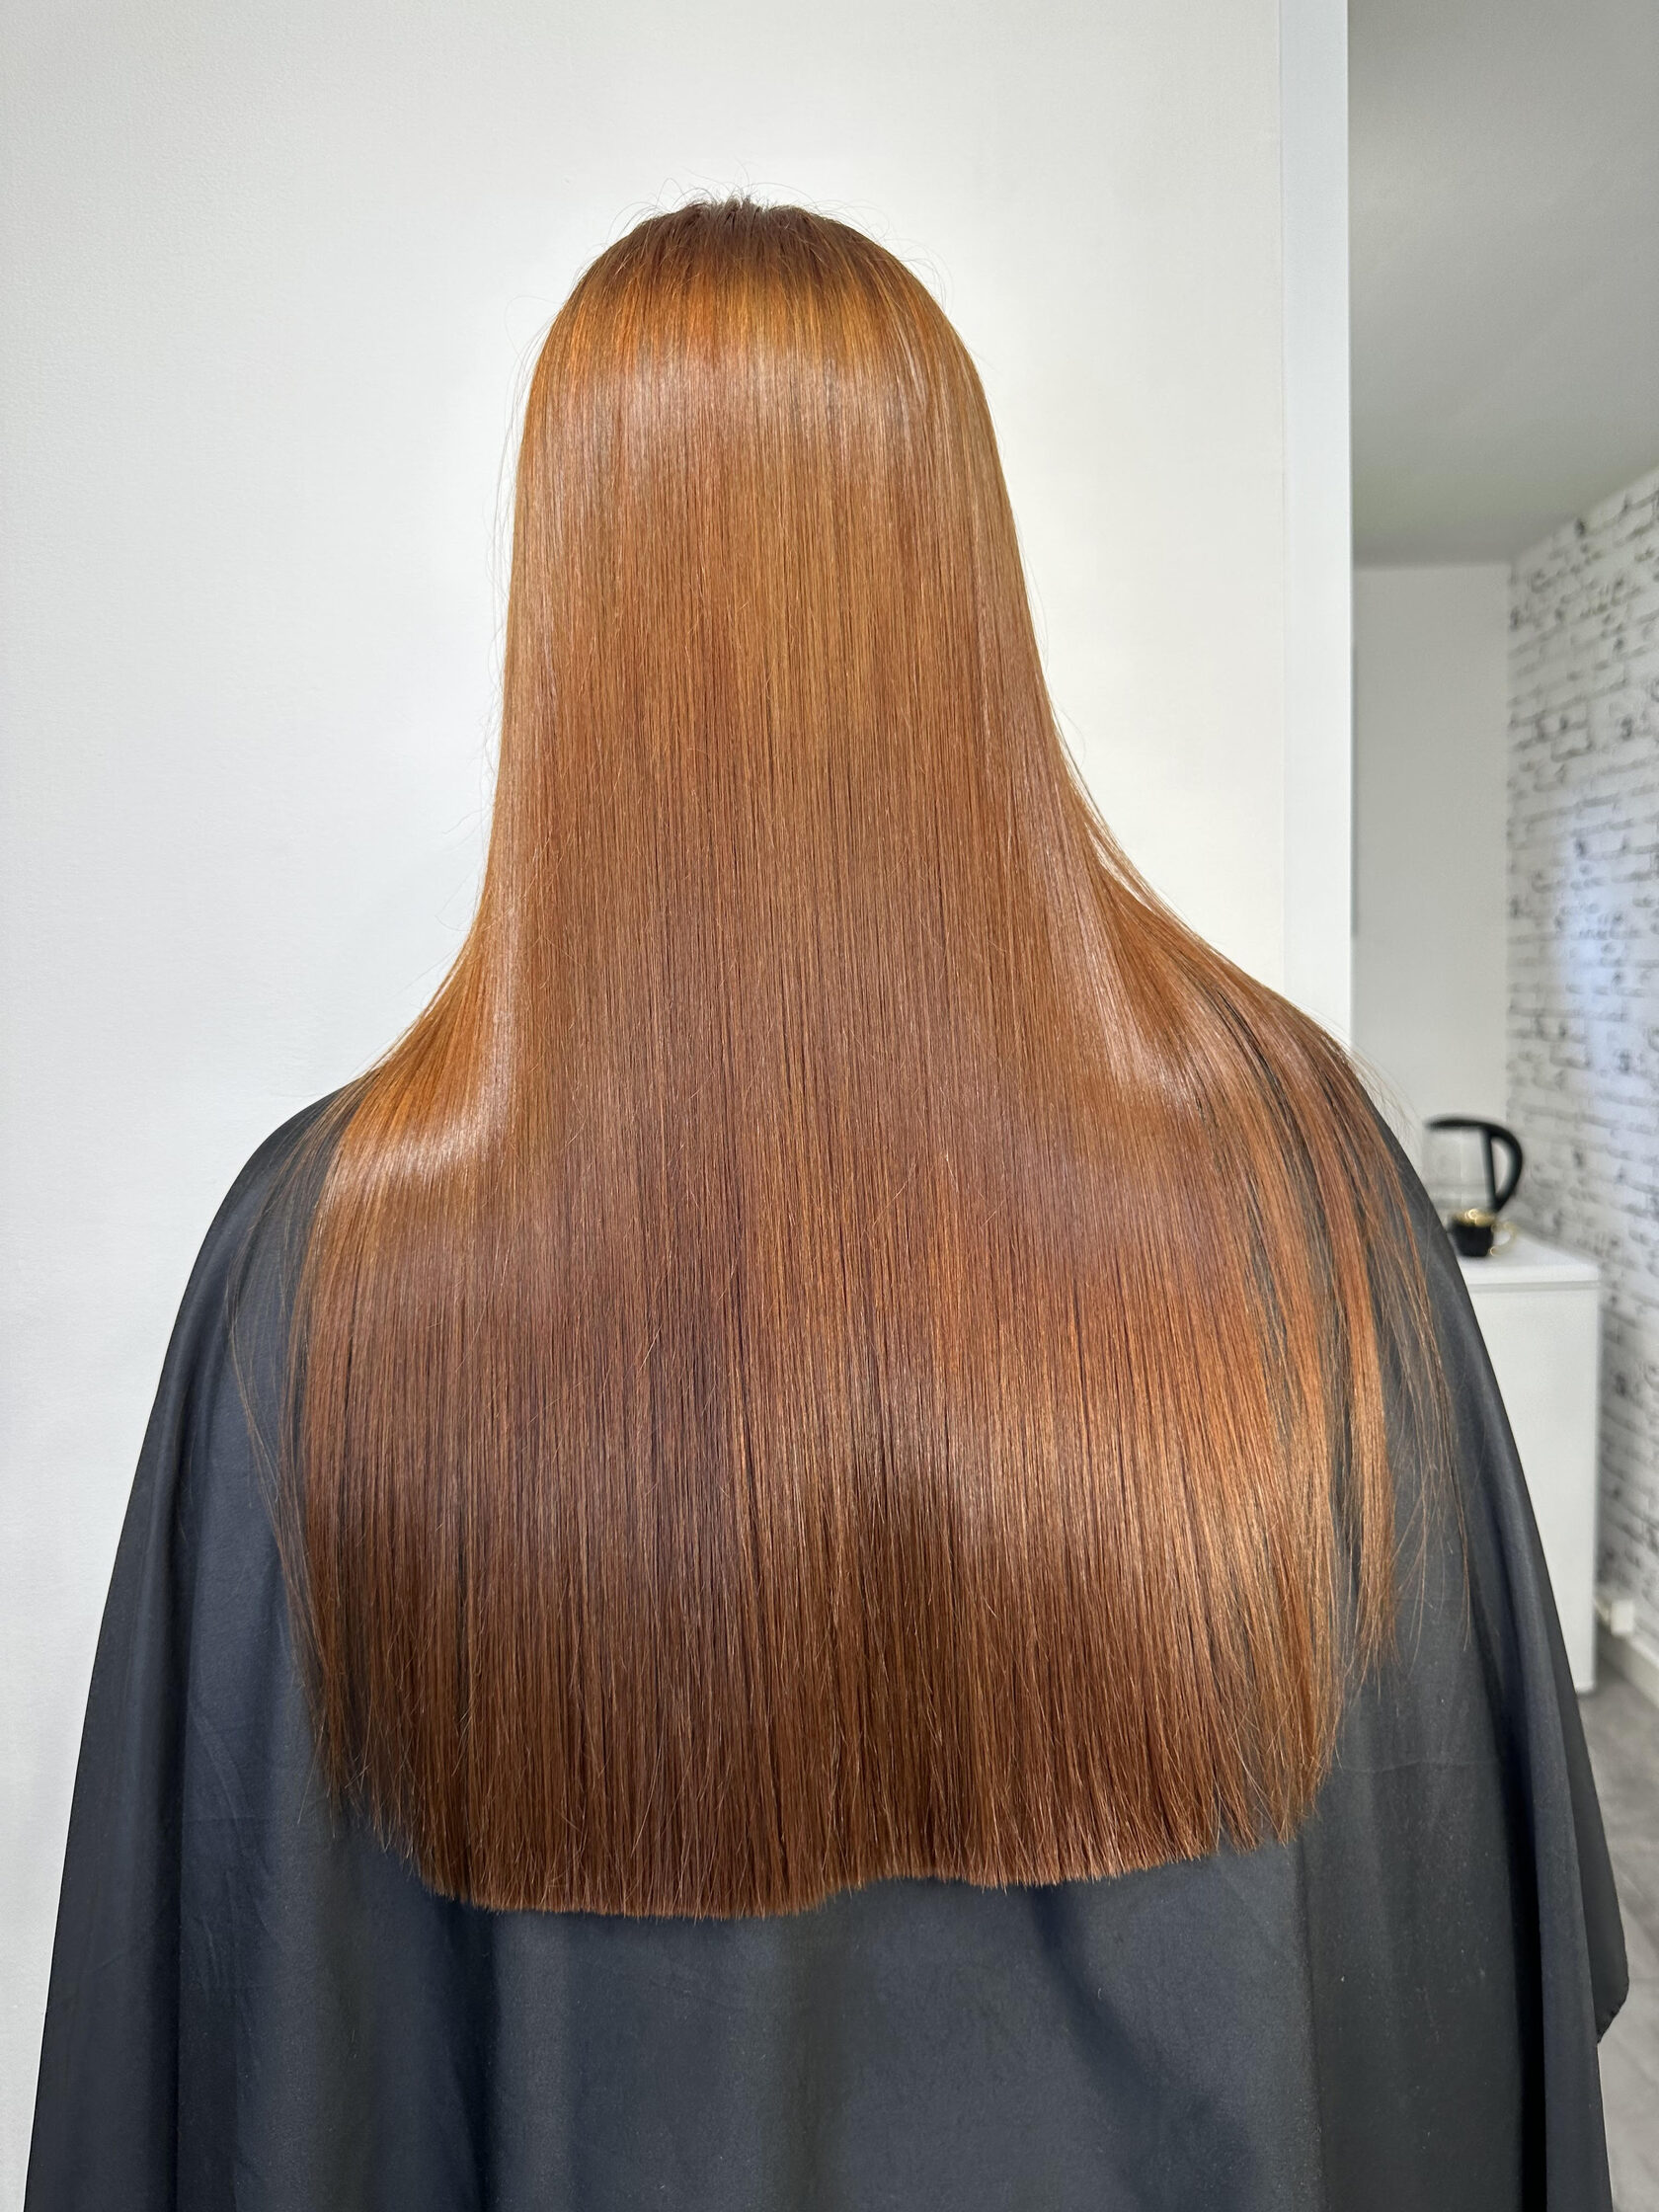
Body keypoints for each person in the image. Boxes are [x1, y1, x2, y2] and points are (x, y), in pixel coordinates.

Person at [27, 198, 1625, 2211]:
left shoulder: (326, 1268)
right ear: (964, 582)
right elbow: (1465, 1967)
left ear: (569, 612)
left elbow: (209, 2045)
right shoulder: (1308, 1195)